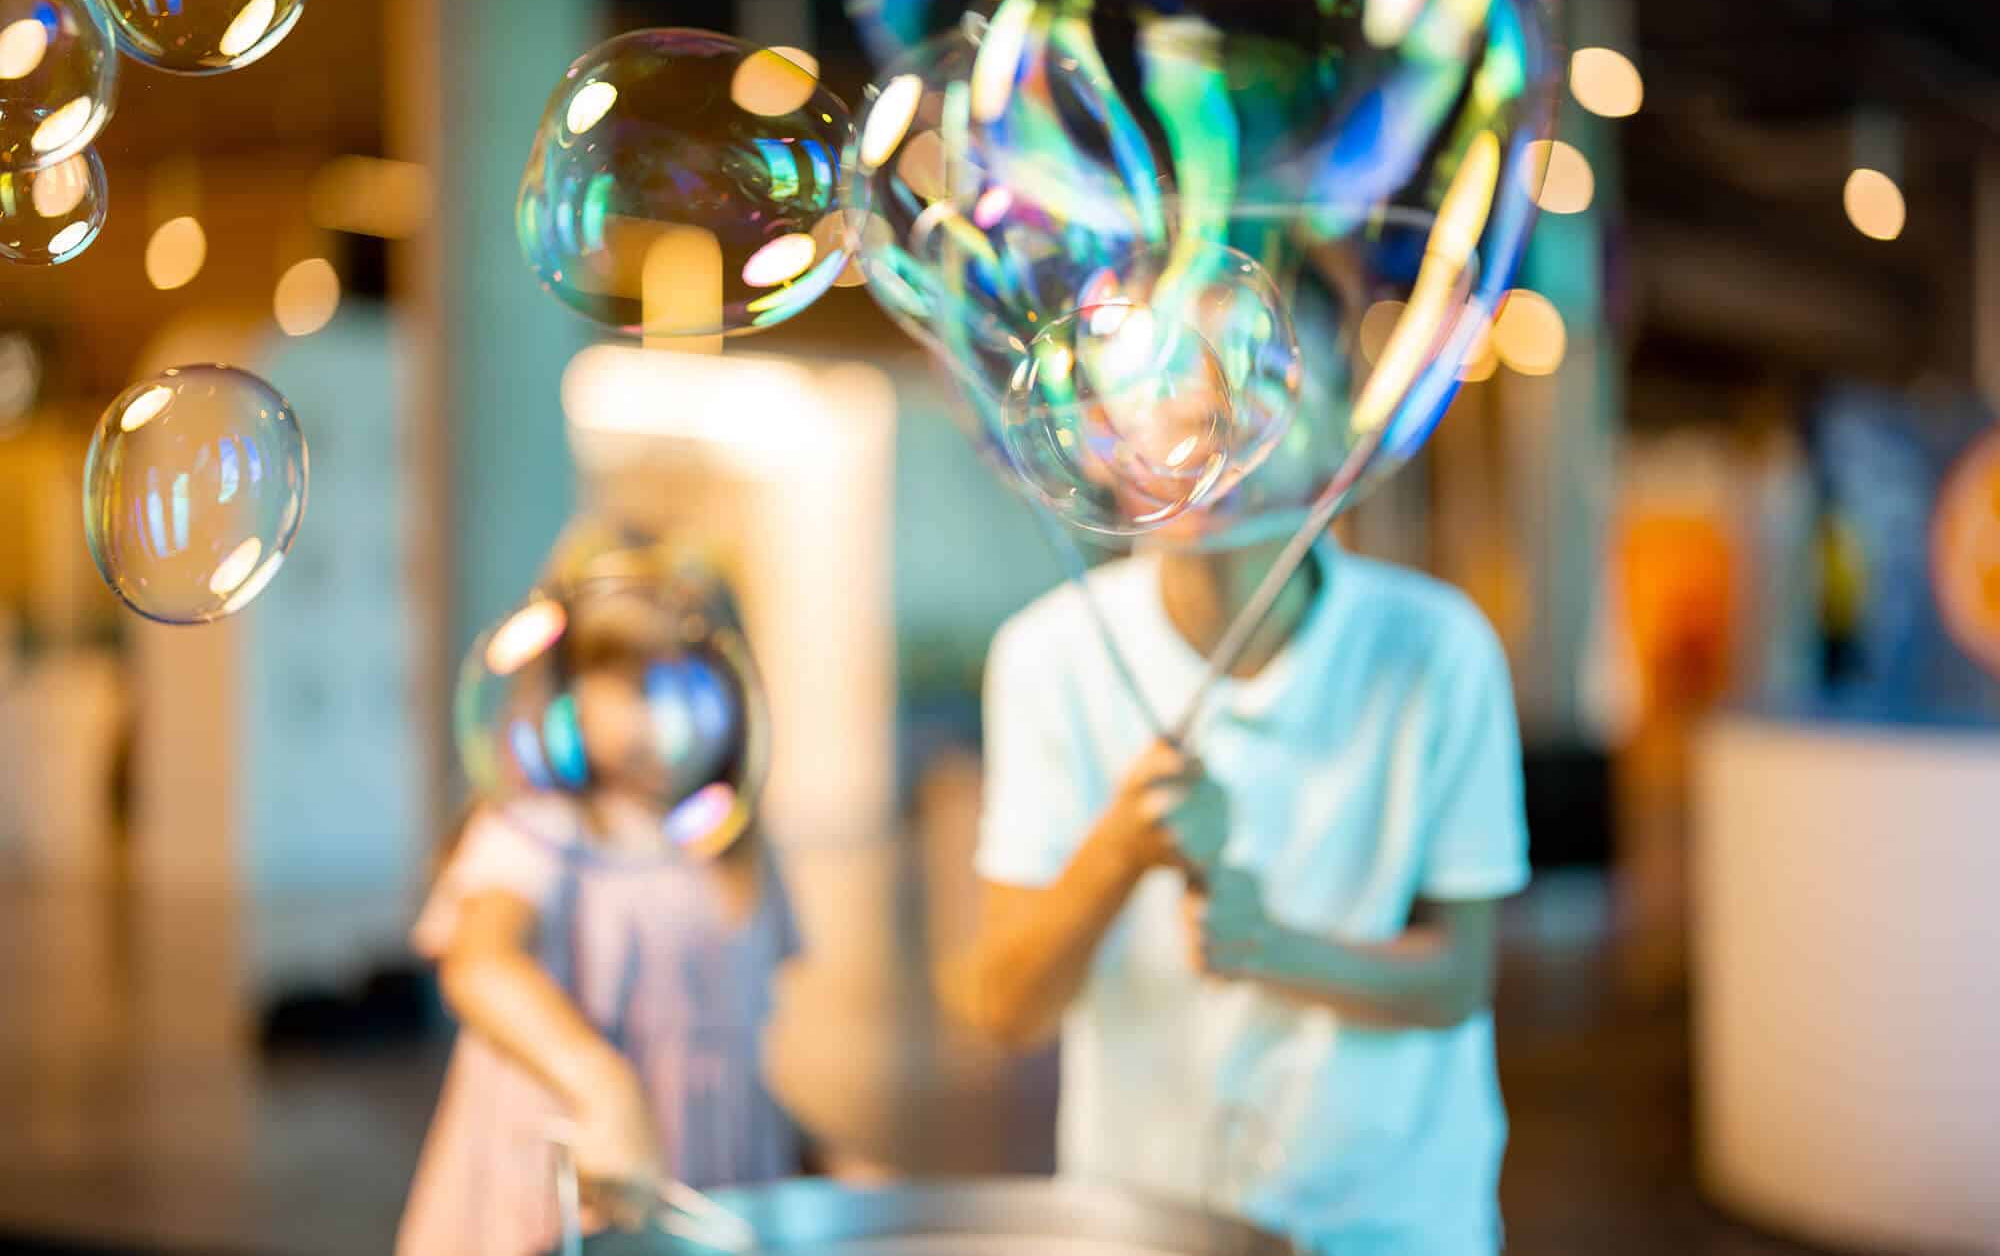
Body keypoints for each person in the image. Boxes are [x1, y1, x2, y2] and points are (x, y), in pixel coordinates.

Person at [943, 410, 1531, 1251]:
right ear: (1106, 448)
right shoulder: (1048, 654)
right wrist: (1122, 845)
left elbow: (1460, 978)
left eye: (1252, 392)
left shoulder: (1438, 646)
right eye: (1157, 392)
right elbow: (1006, 1007)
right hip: (1142, 1220)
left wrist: (1267, 947)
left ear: (1330, 440)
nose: (1199, 429)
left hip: (1391, 1220)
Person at [397, 565, 799, 1256]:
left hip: (698, 1210)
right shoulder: (542, 830)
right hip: (551, 1210)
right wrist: (604, 1086)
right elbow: (480, 964)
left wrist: (820, 1158)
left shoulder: (732, 860)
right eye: (638, 686)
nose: (666, 713)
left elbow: (724, 1065)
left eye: (692, 682)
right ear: (565, 695)